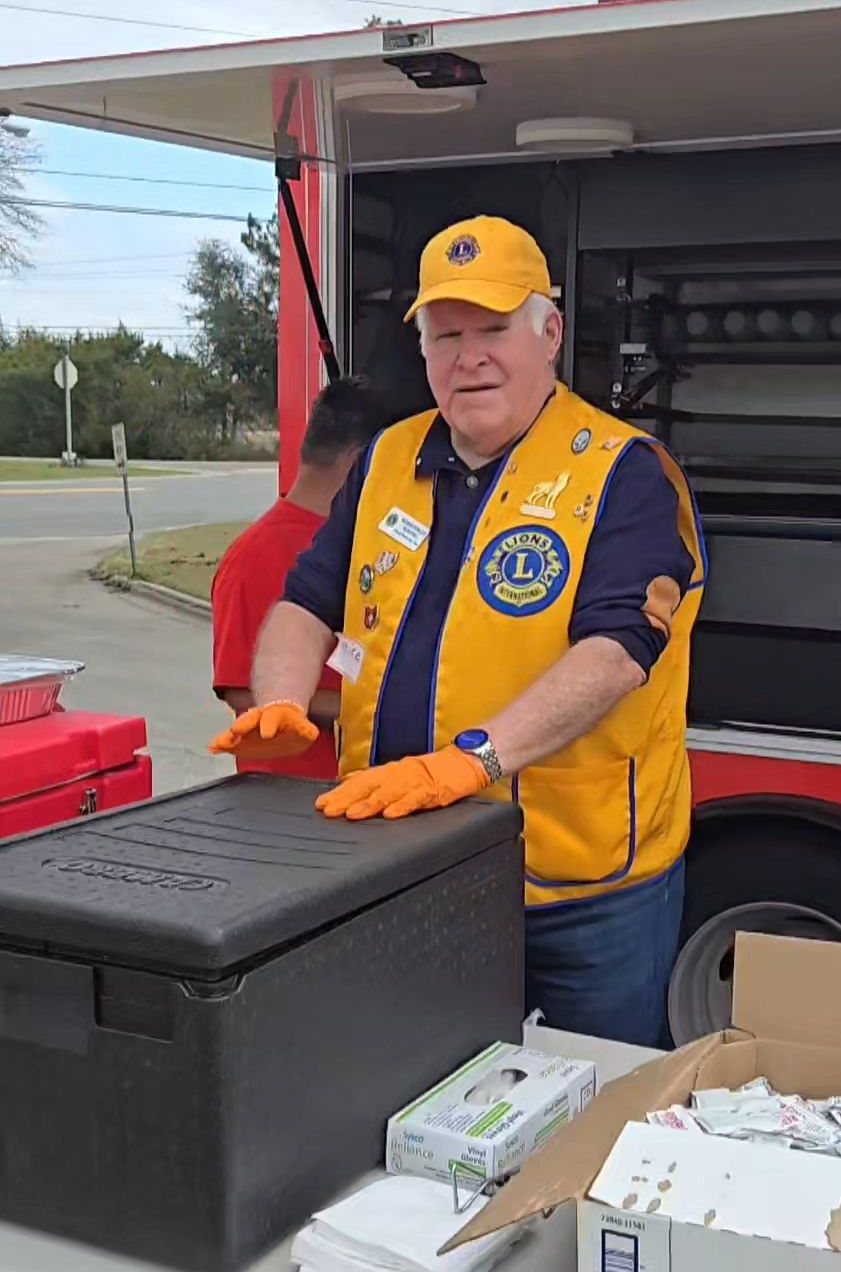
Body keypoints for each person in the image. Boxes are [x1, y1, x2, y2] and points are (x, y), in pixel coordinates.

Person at [210, 217, 705, 1045]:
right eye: (446, 335)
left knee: (594, 1100)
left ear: (548, 335)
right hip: (407, 866)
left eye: (493, 329)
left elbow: (619, 654)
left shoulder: (621, 471)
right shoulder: (386, 460)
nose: (469, 356)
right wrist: (283, 699)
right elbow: (306, 600)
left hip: (578, 888)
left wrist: (470, 760)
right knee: (422, 1099)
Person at [210, 376, 382, 778]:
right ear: (359, 462)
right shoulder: (256, 556)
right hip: (292, 801)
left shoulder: (364, 540)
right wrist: (372, 709)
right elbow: (240, 688)